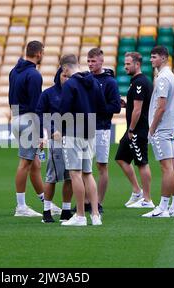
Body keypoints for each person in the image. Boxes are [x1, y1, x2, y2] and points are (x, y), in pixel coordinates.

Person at [9, 41, 61, 217]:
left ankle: (46, 202)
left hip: (16, 117)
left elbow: (12, 99)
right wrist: (40, 134)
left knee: (35, 164)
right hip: (28, 120)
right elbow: (36, 107)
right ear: (39, 54)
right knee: (25, 163)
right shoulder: (34, 75)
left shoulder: (14, 71)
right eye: (43, 53)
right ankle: (21, 207)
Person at [56, 54, 106, 226]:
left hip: (73, 130)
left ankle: (79, 215)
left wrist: (60, 130)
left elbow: (64, 109)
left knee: (75, 174)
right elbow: (101, 105)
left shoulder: (70, 84)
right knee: (88, 173)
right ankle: (95, 215)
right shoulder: (93, 81)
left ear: (65, 68)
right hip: (90, 129)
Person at [143, 46, 174, 218]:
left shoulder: (162, 79)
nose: (151, 60)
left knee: (166, 168)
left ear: (164, 58)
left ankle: (163, 208)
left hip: (162, 128)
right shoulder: (171, 76)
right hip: (170, 126)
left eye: (154, 57)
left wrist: (151, 130)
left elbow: (161, 107)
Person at [115, 52, 154, 208]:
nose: (125, 66)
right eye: (125, 63)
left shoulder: (139, 83)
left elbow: (137, 110)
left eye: (128, 64)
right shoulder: (138, 81)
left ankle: (147, 200)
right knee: (121, 158)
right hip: (133, 129)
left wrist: (131, 129)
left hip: (138, 129)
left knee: (142, 163)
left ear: (137, 64)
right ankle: (137, 191)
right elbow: (136, 106)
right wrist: (127, 104)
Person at [36, 67, 74, 223]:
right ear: (58, 76)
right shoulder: (48, 94)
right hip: (56, 139)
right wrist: (49, 131)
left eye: (69, 76)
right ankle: (46, 211)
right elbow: (39, 114)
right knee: (51, 177)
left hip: (73, 138)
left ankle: (66, 210)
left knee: (71, 177)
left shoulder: (75, 93)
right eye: (64, 76)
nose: (66, 79)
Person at [87, 48, 121, 213]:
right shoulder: (85, 79)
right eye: (89, 61)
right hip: (85, 129)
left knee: (101, 166)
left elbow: (116, 107)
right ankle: (87, 201)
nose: (90, 64)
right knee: (84, 166)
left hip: (101, 128)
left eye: (93, 61)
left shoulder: (110, 82)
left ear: (101, 61)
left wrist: (98, 109)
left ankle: (98, 202)